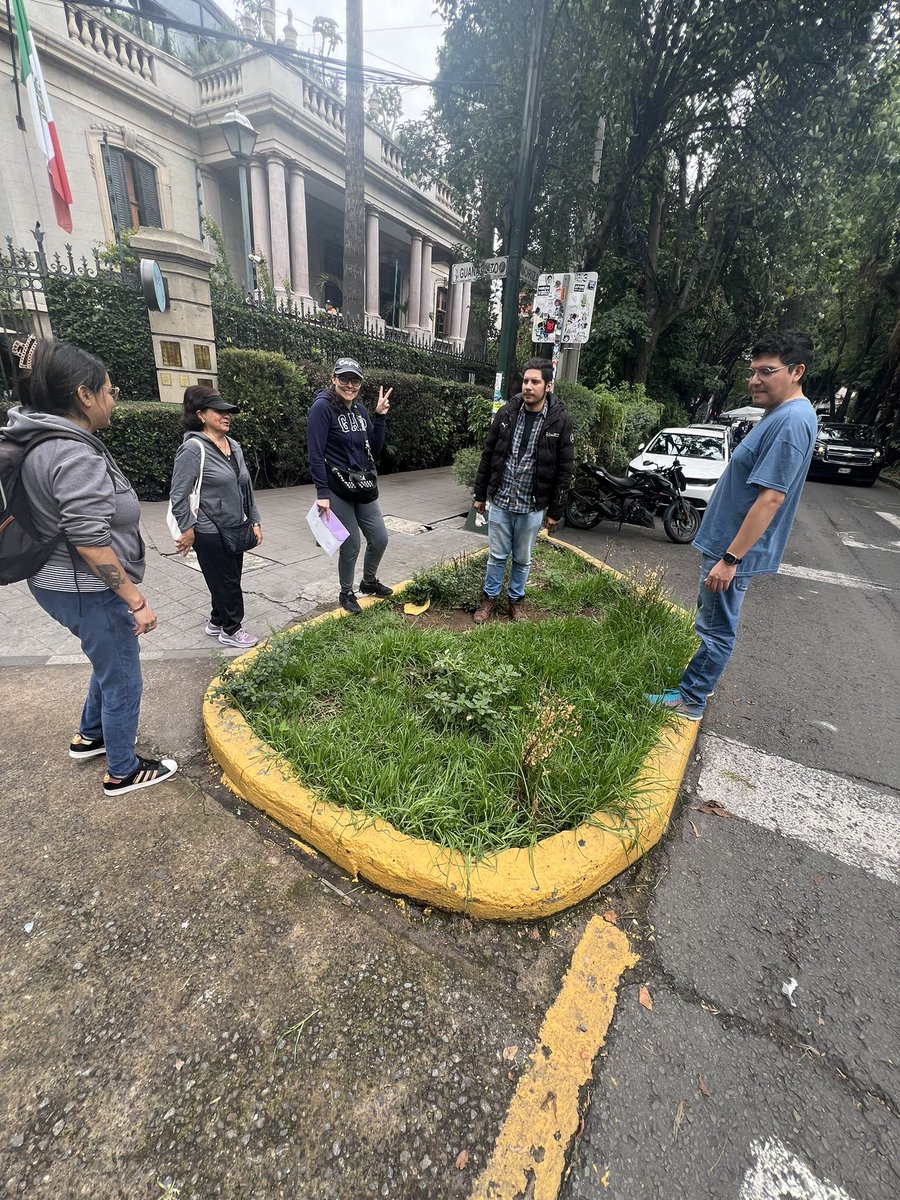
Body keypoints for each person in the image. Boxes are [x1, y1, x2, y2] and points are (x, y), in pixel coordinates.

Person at [2, 337, 177, 795]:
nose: (113, 400)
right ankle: (122, 770)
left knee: (107, 661)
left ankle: (90, 736)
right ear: (84, 394)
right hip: (84, 587)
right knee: (122, 674)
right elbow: (89, 543)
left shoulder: (40, 437)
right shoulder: (73, 453)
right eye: (110, 391)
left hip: (56, 583)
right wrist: (136, 601)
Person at [648, 330, 818, 721]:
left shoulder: (792, 420)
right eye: (752, 370)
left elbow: (771, 498)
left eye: (767, 371)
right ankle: (692, 688)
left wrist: (730, 558)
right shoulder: (781, 415)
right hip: (726, 544)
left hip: (731, 549)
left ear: (796, 372)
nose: (755, 380)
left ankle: (691, 699)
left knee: (716, 629)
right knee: (711, 622)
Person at [472, 357, 574, 622]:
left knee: (522, 559)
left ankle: (516, 602)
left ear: (547, 386)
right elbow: (489, 453)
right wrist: (480, 494)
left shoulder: (559, 421)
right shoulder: (507, 413)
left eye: (535, 382)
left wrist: (555, 510)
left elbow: (564, 469)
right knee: (496, 556)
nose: (528, 386)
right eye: (525, 381)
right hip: (502, 501)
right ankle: (488, 600)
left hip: (532, 505)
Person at [169, 385, 262, 648]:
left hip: (236, 525)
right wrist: (187, 529)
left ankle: (217, 621)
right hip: (209, 529)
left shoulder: (234, 446)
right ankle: (231, 630)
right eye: (219, 411)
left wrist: (254, 520)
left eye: (228, 411)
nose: (226, 415)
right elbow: (178, 494)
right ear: (200, 415)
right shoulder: (193, 449)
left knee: (227, 578)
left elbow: (246, 488)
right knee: (228, 581)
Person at [306, 357, 393, 614]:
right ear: (333, 378)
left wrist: (379, 417)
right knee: (351, 543)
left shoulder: (360, 411)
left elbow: (374, 449)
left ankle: (369, 582)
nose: (349, 385)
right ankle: (346, 592)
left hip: (362, 485)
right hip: (336, 488)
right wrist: (322, 493)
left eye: (354, 380)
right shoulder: (321, 408)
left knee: (379, 538)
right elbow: (314, 453)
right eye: (343, 378)